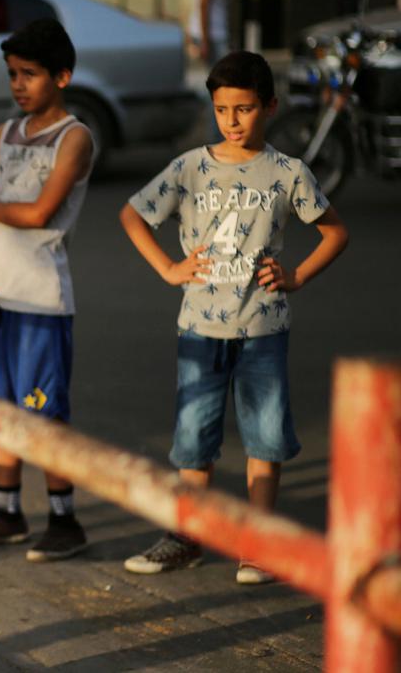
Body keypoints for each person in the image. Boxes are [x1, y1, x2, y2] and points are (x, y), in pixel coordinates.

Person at [118, 51, 349, 584]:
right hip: (199, 328)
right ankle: (187, 536)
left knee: (264, 439)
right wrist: (168, 269)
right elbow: (133, 213)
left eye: (244, 109)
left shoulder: (289, 173)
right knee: (193, 439)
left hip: (264, 330)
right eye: (223, 110)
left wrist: (297, 275)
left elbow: (335, 231)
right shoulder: (189, 168)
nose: (233, 121)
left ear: (269, 106)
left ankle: (259, 540)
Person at [0, 18, 97, 562]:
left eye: (30, 75)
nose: (18, 85)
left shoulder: (74, 138)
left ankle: (65, 517)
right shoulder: (5, 134)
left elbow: (37, 213)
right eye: (13, 74)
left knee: (44, 410)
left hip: (41, 302)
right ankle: (8, 511)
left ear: (63, 76)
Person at [189, 0, 233, 141]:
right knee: (221, 90)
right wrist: (206, 40)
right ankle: (216, 140)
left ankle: (218, 138)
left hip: (215, 34)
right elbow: (204, 0)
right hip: (213, 35)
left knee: (219, 88)